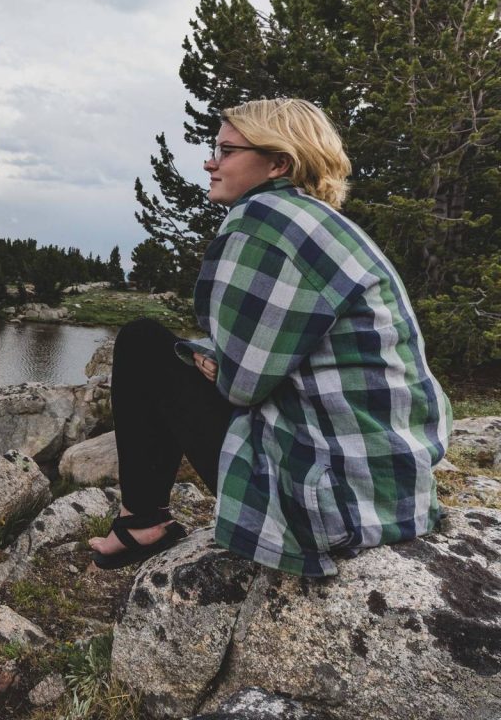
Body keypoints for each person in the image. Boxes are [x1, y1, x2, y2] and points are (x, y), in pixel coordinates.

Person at [89, 98, 452, 576]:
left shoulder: (263, 220)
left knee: (142, 344)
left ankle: (142, 522)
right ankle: (143, 523)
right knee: (175, 353)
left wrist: (215, 363)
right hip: (395, 491)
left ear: (278, 162)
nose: (210, 161)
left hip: (326, 504)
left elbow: (239, 384)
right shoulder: (322, 222)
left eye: (226, 149)